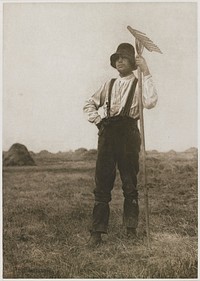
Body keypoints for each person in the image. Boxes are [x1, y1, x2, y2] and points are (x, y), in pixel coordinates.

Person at [83, 43, 158, 247]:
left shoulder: (139, 83)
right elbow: (88, 103)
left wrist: (146, 71)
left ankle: (131, 230)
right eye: (117, 58)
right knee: (103, 183)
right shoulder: (109, 84)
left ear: (133, 62)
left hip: (129, 135)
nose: (120, 61)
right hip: (107, 134)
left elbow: (150, 102)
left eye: (124, 58)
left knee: (129, 184)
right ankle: (97, 233)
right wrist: (97, 121)